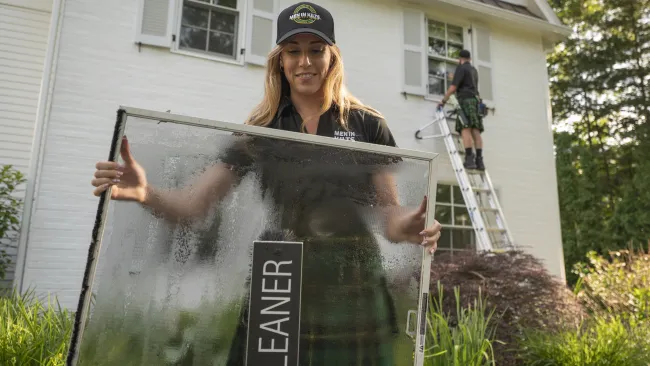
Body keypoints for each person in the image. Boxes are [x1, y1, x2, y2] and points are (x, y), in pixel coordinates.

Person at [91, 2, 442, 364]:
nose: (304, 61)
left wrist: (410, 225)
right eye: (294, 51)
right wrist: (145, 193)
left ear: (331, 57)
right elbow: (193, 206)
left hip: (350, 275)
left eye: (315, 50)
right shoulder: (259, 131)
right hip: (280, 272)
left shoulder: (367, 125)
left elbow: (389, 212)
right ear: (280, 61)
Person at [438, 49, 485, 170]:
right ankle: (479, 161)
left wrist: (443, 101)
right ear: (470, 59)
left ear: (460, 59)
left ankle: (469, 159)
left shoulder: (461, 68)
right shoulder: (474, 70)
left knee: (465, 128)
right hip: (475, 101)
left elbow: (453, 87)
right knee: (476, 130)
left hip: (465, 101)